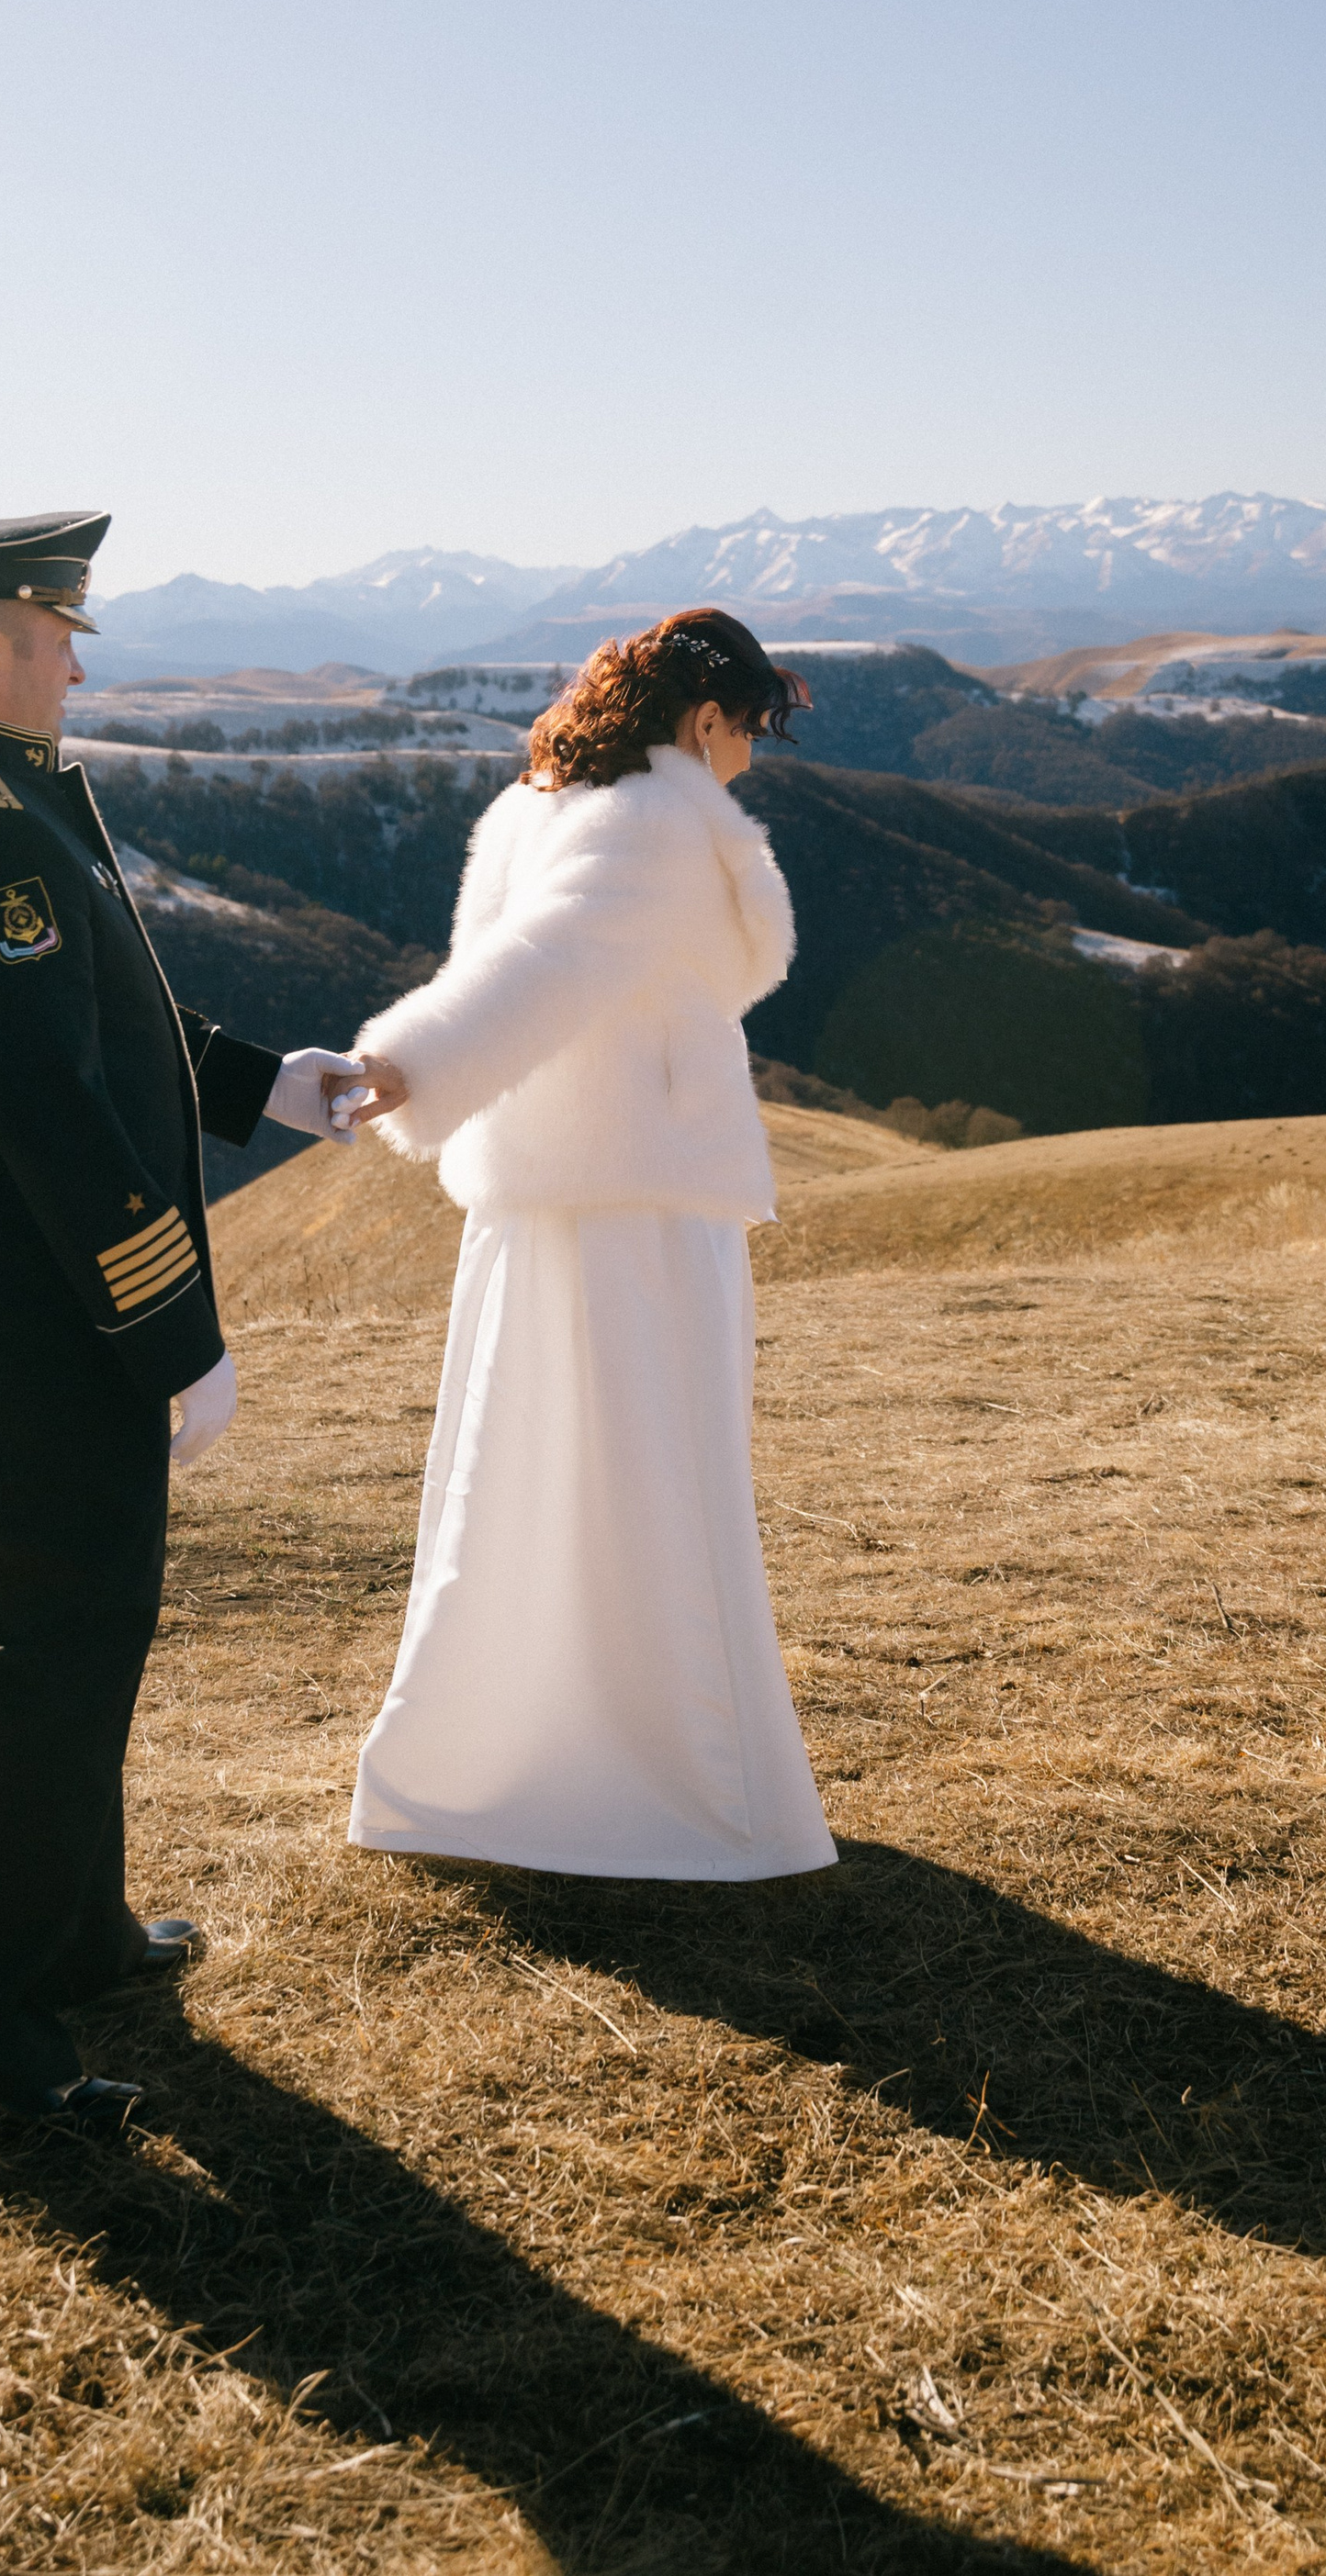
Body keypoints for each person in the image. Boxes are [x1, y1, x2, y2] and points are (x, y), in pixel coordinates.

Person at [0, 509, 376, 2134]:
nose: (77, 661)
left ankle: (72, 1931)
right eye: (61, 633)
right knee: (63, 1649)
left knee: (58, 1635)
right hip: (30, 1321)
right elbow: (56, 1115)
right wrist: (174, 1336)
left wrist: (262, 1084)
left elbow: (100, 1011)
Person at [342, 609, 837, 1883]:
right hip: (640, 1201)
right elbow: (547, 967)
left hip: (543, 1194)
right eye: (751, 731)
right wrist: (408, 1063)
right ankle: (681, 1789)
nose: (750, 760)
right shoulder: (658, 820)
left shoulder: (540, 809)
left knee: (526, 1474)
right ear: (707, 718)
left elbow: (520, 965)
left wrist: (416, 1067)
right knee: (658, 1475)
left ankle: (502, 1760)